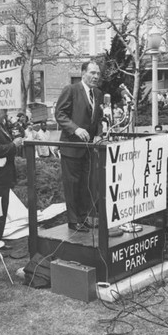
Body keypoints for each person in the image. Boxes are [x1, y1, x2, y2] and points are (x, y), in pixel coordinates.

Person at [55, 61, 103, 232]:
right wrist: (75, 129)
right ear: (83, 73)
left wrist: (98, 133)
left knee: (85, 185)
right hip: (71, 147)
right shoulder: (71, 90)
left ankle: (83, 218)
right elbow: (60, 114)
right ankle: (73, 221)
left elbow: (98, 118)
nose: (96, 76)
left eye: (98, 73)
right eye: (92, 73)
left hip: (89, 149)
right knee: (72, 185)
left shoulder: (97, 93)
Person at [0, 109, 23, 242]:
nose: (6, 113)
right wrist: (14, 145)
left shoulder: (0, 126)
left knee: (3, 209)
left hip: (3, 175)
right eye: (4, 110)